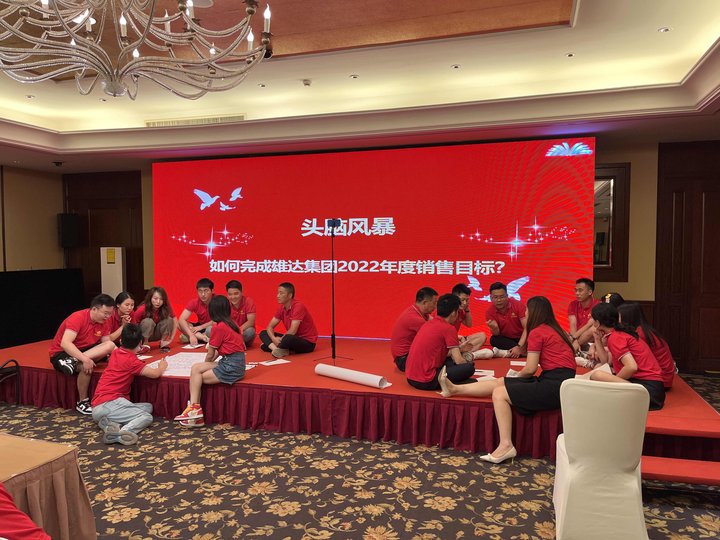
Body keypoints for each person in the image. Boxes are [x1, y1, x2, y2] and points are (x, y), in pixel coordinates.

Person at [440, 296, 576, 463]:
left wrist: (516, 377)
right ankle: (455, 389)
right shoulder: (554, 329)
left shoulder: (537, 332)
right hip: (559, 382)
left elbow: (530, 369)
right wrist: (513, 378)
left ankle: (506, 445)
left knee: (500, 393)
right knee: (502, 381)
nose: (525, 313)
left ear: (535, 312)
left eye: (527, 310)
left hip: (553, 386)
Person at [174, 296, 248, 427]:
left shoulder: (219, 327)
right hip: (235, 363)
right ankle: (195, 414)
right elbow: (219, 351)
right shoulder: (232, 323)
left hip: (231, 367)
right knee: (196, 368)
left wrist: (206, 364)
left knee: (197, 377)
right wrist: (205, 365)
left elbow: (210, 354)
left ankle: (194, 409)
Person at [91, 324, 168, 445]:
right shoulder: (132, 361)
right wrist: (162, 366)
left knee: (147, 407)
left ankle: (110, 424)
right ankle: (124, 432)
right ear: (140, 343)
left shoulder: (116, 353)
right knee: (146, 416)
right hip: (111, 402)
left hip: (98, 405)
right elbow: (155, 374)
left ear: (121, 341)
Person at [588, 303, 666, 410]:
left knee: (597, 375)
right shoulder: (618, 333)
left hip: (648, 392)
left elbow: (631, 367)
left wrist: (614, 381)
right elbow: (604, 361)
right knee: (600, 370)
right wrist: (597, 340)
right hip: (653, 388)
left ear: (597, 323)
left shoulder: (615, 337)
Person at [48, 294, 117, 415]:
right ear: (94, 309)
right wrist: (85, 359)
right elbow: (65, 343)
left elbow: (106, 343)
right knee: (86, 366)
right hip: (62, 354)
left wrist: (125, 357)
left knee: (110, 345)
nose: (108, 316)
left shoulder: (104, 322)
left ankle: (73, 361)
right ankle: (82, 402)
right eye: (105, 313)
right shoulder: (78, 317)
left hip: (83, 352)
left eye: (110, 314)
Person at [405, 294, 475, 391]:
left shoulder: (428, 323)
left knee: (451, 362)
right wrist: (467, 362)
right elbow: (459, 361)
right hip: (426, 380)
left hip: (410, 377)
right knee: (469, 368)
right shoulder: (449, 328)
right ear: (454, 313)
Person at [618, 302, 676, 389]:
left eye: (618, 316)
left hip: (660, 380)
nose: (617, 320)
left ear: (627, 317)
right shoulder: (643, 330)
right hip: (662, 377)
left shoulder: (640, 334)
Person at [259, 282, 318, 358]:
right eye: (278, 293)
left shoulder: (298, 306)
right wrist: (274, 339)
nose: (278, 296)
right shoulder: (281, 307)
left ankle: (275, 347)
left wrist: (279, 340)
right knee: (263, 333)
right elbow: (270, 327)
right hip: (290, 338)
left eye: (281, 293)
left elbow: (293, 331)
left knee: (286, 339)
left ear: (290, 295)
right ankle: (276, 349)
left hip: (307, 342)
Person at [390, 287, 438, 371]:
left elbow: (437, 324)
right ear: (425, 302)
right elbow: (437, 335)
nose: (435, 307)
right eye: (434, 303)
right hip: (404, 360)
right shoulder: (414, 318)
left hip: (408, 355)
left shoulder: (418, 311)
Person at [451, 283, 493, 359]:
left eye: (467, 300)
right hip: (448, 341)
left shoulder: (461, 311)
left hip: (457, 340)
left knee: (482, 336)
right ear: (454, 298)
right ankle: (467, 355)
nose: (464, 303)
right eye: (462, 300)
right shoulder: (447, 311)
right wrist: (458, 338)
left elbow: (469, 324)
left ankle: (465, 354)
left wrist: (467, 310)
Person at [485, 282, 527, 357]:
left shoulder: (518, 305)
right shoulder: (489, 312)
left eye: (502, 297)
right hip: (507, 340)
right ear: (491, 298)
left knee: (532, 339)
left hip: (522, 337)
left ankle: (514, 351)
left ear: (507, 296)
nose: (499, 300)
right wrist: (494, 328)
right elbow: (497, 334)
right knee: (493, 339)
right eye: (495, 297)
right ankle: (521, 351)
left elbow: (526, 328)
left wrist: (519, 346)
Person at [133, 286, 178, 353]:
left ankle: (163, 342)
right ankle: (145, 343)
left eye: (161, 299)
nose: (158, 302)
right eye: (155, 299)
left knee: (168, 319)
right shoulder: (142, 308)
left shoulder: (166, 307)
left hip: (157, 333)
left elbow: (175, 320)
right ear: (150, 298)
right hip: (143, 335)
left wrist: (171, 339)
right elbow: (133, 325)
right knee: (148, 321)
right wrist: (136, 342)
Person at [178, 278, 214, 346]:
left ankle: (194, 337)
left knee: (211, 329)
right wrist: (191, 334)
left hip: (211, 327)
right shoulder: (194, 302)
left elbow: (218, 320)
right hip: (199, 327)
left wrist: (200, 327)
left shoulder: (218, 301)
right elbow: (182, 319)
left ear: (212, 291)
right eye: (200, 291)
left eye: (206, 291)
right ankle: (204, 338)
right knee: (179, 324)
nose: (203, 294)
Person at [568, 278, 599, 347]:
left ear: (590, 292)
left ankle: (574, 347)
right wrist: (573, 339)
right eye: (576, 290)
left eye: (580, 290)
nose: (577, 293)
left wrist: (574, 339)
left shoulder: (598, 304)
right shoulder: (573, 304)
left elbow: (589, 325)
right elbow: (573, 324)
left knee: (594, 328)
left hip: (589, 338)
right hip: (576, 336)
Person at [226, 279, 257, 347]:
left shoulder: (248, 301)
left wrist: (237, 331)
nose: (233, 297)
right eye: (230, 294)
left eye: (236, 294)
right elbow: (221, 321)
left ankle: (230, 344)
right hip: (229, 333)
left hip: (243, 332)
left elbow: (251, 322)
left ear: (242, 292)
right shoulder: (225, 302)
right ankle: (235, 344)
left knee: (251, 331)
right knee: (209, 330)